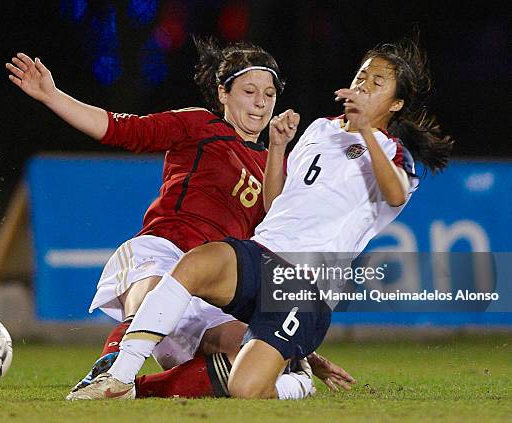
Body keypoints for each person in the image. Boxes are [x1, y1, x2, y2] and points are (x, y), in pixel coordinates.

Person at [68, 36, 454, 400]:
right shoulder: (320, 129)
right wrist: (278, 147)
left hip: (306, 283)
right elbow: (276, 203)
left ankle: (296, 384)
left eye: (378, 82)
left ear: (396, 104)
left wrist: (367, 129)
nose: (364, 85)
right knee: (194, 264)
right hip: (264, 252)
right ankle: (119, 378)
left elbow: (397, 193)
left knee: (245, 387)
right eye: (361, 76)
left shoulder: (391, 150)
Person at [7, 37, 354, 400]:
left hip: (213, 286)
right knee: (153, 294)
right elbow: (123, 129)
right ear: (223, 93)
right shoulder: (198, 125)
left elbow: (274, 239)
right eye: (249, 90)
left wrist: (299, 350)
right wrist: (52, 96)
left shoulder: (276, 167)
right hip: (161, 252)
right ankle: (107, 371)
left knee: (251, 355)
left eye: (269, 94)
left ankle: (136, 392)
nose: (260, 102)